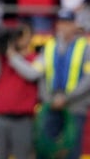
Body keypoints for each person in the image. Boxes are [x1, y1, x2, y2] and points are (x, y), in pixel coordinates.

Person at [32, 9, 90, 159]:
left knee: (72, 149)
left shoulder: (85, 47)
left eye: (67, 23)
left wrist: (67, 97)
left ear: (74, 25)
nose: (63, 27)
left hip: (75, 105)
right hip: (51, 104)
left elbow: (88, 79)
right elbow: (41, 75)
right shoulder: (49, 46)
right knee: (47, 149)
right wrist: (48, 98)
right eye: (60, 23)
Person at [0, 23, 40, 159]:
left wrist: (12, 55)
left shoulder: (35, 58)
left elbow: (32, 74)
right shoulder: (1, 58)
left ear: (31, 38)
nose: (19, 39)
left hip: (23, 119)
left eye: (22, 35)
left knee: (23, 155)